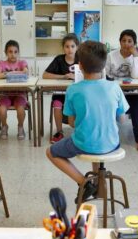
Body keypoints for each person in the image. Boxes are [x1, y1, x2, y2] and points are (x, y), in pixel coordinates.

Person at [46, 41, 129, 203]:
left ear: (80, 66)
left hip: (84, 144)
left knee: (51, 152)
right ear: (104, 65)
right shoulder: (114, 87)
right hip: (111, 143)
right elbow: (122, 119)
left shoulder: (73, 90)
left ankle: (84, 182)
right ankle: (100, 188)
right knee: (97, 148)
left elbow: (71, 123)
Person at [105, 29, 138, 151]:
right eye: (123, 41)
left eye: (130, 41)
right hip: (112, 91)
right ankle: (107, 136)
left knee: (135, 106)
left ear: (134, 43)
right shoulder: (111, 55)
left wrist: (135, 56)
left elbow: (135, 76)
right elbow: (106, 74)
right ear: (120, 42)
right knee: (107, 106)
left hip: (130, 92)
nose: (126, 44)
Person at [42, 33, 80, 144]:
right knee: (57, 105)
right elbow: (45, 75)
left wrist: (76, 76)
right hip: (61, 93)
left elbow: (88, 75)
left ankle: (80, 132)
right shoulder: (59, 59)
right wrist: (64, 76)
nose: (70, 49)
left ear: (77, 47)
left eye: (72, 46)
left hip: (77, 94)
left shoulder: (81, 59)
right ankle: (59, 132)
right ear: (63, 48)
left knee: (83, 104)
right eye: (67, 46)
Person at [0, 40, 29, 140]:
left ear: (18, 52)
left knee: (21, 109)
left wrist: (9, 73)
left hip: (20, 94)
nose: (13, 54)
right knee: (1, 109)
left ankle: (20, 127)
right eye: (10, 52)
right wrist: (12, 73)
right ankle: (4, 126)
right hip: (5, 94)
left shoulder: (22, 62)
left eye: (15, 52)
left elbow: (25, 73)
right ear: (6, 53)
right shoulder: (2, 64)